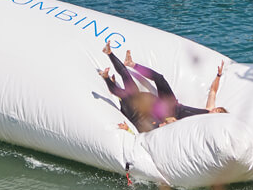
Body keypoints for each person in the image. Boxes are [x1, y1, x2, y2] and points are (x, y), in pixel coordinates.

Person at [97, 42, 226, 133]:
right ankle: (131, 64)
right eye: (219, 109)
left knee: (130, 94)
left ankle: (109, 79)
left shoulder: (203, 124)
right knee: (160, 78)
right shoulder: (208, 110)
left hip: (166, 114)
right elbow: (213, 92)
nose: (216, 110)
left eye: (218, 113)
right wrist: (219, 75)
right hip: (172, 102)